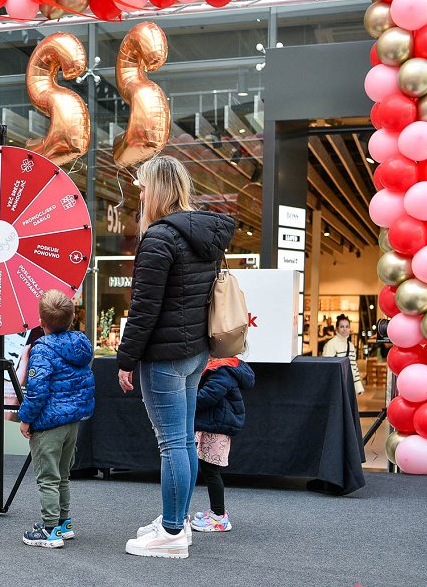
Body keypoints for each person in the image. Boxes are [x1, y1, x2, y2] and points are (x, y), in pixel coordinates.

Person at [117, 154, 235, 559]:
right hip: (196, 352)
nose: (140, 193)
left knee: (171, 445)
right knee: (183, 441)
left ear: (159, 189)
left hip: (164, 356)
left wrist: (125, 358)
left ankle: (170, 533)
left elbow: (144, 309)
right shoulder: (205, 234)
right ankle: (177, 520)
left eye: (144, 186)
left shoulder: (159, 238)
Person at [17, 290, 95, 549]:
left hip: (49, 424)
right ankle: (64, 523)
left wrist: (25, 418)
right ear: (72, 318)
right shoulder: (81, 344)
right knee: (62, 475)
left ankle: (50, 530)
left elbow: (37, 391)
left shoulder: (43, 350)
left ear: (41, 322)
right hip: (73, 422)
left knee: (47, 477)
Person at [191, 357, 255, 533]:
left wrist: (186, 401)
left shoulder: (222, 370)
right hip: (212, 424)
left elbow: (209, 396)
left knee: (211, 470)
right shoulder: (226, 366)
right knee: (208, 469)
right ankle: (215, 512)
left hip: (216, 427)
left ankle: (219, 517)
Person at [322, 314, 364, 395]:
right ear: (337, 329)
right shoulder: (331, 344)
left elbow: (354, 367)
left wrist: (358, 387)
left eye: (347, 327)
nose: (345, 329)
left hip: (348, 385)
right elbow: (326, 367)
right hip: (335, 385)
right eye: (342, 327)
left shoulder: (351, 346)